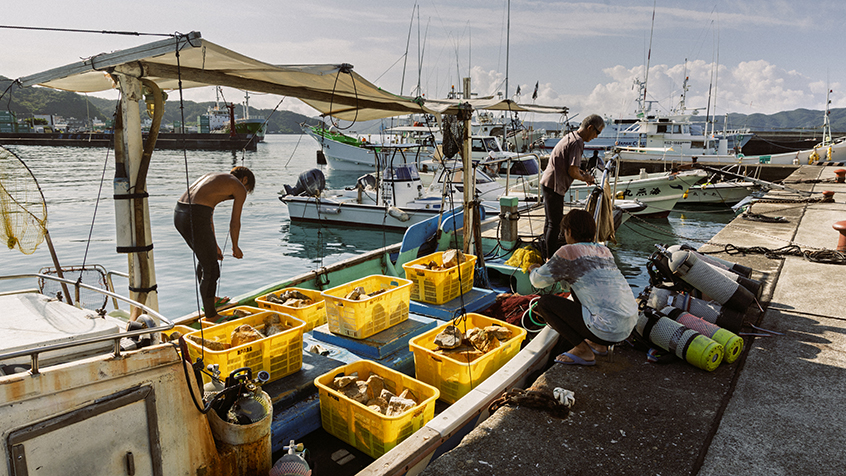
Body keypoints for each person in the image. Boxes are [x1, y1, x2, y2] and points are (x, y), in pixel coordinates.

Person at [528, 209, 637, 366]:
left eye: (564, 232)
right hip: (627, 327)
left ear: (569, 231)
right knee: (580, 289)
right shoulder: (604, 250)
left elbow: (538, 281)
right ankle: (600, 345)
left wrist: (533, 269)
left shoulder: (568, 251)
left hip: (607, 329)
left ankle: (582, 350)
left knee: (544, 304)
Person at [173, 166, 255, 322]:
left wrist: (215, 244)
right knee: (211, 268)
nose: (244, 193)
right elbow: (234, 222)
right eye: (248, 188)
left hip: (180, 214)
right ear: (245, 180)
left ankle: (211, 301)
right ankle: (211, 315)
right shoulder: (239, 186)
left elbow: (208, 214)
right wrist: (235, 246)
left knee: (205, 260)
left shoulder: (216, 178)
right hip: (195, 215)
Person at [540, 114, 603, 258]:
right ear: (590, 127)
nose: (596, 136)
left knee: (549, 222)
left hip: (549, 182)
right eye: (597, 132)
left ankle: (546, 255)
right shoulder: (578, 142)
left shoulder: (571, 136)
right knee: (554, 224)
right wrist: (585, 177)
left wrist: (583, 175)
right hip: (555, 185)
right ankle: (550, 259)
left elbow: (571, 167)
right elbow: (572, 171)